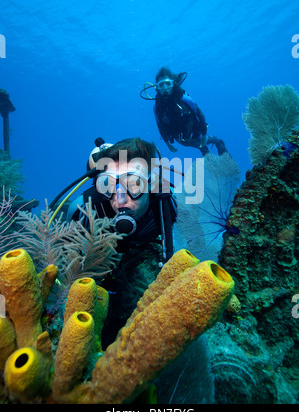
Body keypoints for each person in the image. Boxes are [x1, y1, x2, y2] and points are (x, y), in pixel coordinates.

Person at [61, 137, 178, 347]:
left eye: (133, 184)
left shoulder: (165, 208)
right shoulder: (84, 213)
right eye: (108, 185)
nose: (120, 199)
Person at [141, 66, 227, 156]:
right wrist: (168, 144)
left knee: (203, 145)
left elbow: (200, 114)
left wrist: (204, 134)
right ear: (157, 87)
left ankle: (218, 142)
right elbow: (160, 126)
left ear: (172, 83)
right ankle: (205, 149)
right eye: (161, 85)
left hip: (195, 134)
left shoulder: (184, 99)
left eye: (168, 83)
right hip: (180, 140)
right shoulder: (157, 107)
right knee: (200, 147)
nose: (165, 88)